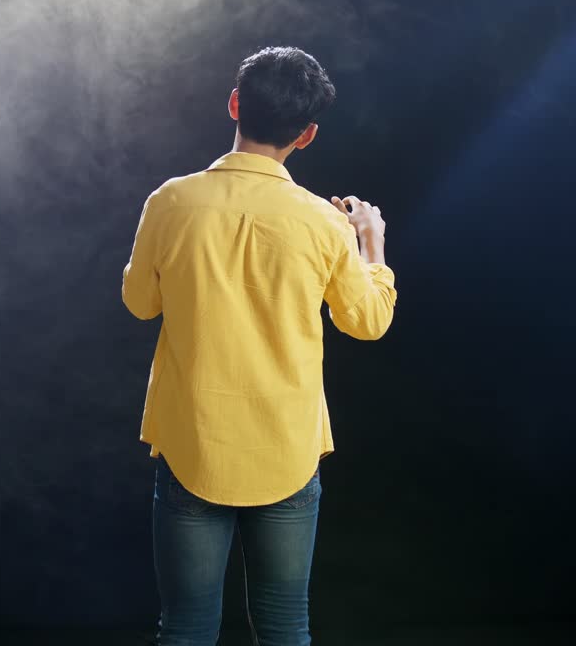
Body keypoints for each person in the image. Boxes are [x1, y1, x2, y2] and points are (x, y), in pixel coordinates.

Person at [121, 45, 398, 645]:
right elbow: (368, 321)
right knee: (284, 627)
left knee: (186, 629)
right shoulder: (324, 223)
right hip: (286, 447)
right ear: (308, 135)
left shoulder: (171, 201)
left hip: (192, 442)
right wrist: (369, 244)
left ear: (234, 104)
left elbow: (140, 303)